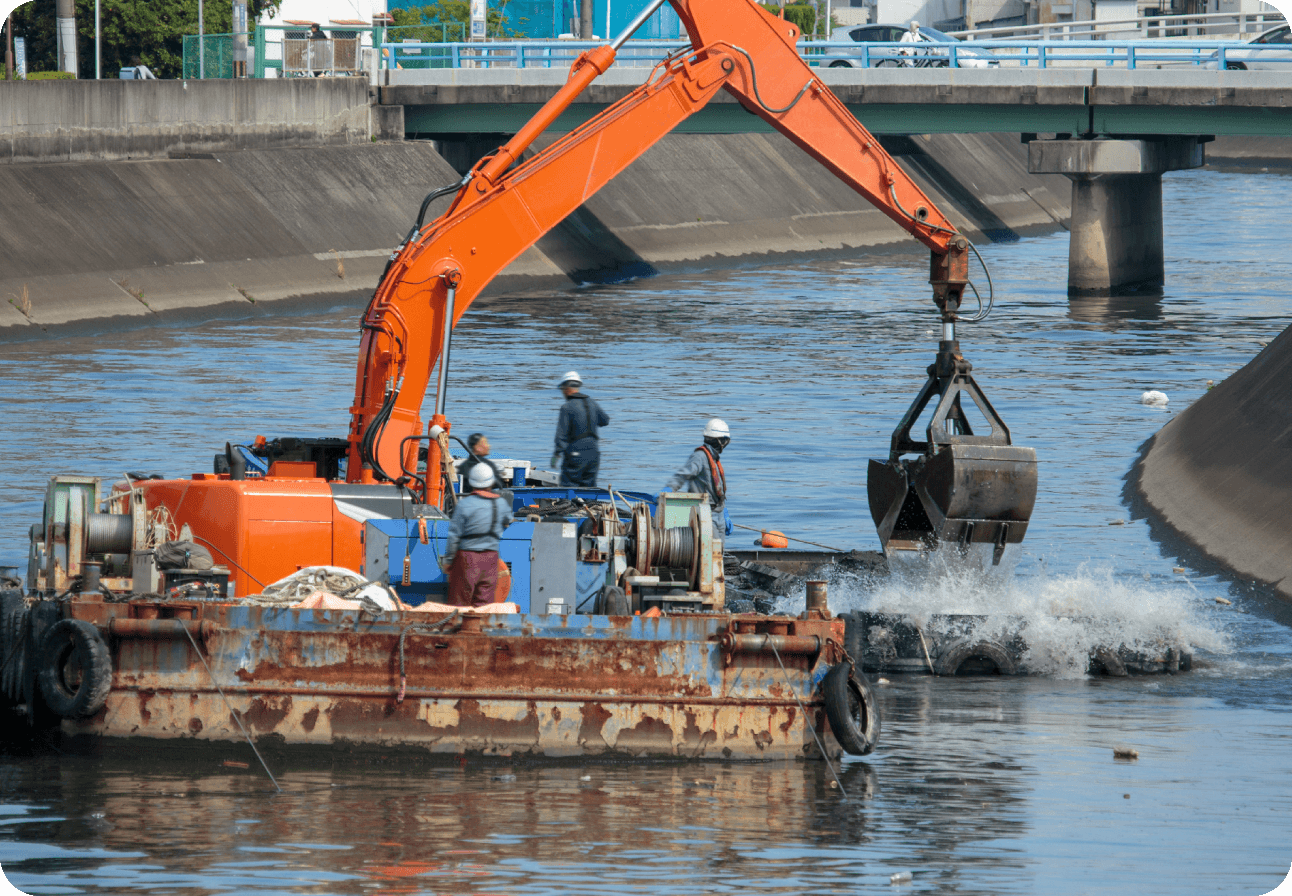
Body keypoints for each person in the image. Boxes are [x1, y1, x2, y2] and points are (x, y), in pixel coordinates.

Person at [442, 464, 513, 608]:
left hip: (467, 559)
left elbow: (454, 535)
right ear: (491, 482)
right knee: (484, 606)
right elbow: (508, 521)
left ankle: (460, 629)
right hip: (491, 559)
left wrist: (449, 560)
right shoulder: (501, 503)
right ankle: (478, 628)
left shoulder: (465, 504)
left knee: (460, 604)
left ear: (471, 482)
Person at [663, 418, 733, 538]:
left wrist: (724, 512)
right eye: (725, 441)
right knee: (712, 550)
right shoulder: (699, 457)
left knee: (719, 551)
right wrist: (669, 488)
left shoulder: (714, 459)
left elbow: (717, 489)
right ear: (719, 440)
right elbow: (683, 474)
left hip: (719, 513)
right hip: (705, 513)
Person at [551, 371, 609, 488]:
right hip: (593, 454)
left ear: (567, 388)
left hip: (575, 455)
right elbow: (605, 420)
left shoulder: (567, 407)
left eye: (562, 389)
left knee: (569, 487)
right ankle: (588, 506)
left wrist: (556, 454)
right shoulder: (592, 403)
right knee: (589, 488)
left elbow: (561, 436)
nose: (562, 392)